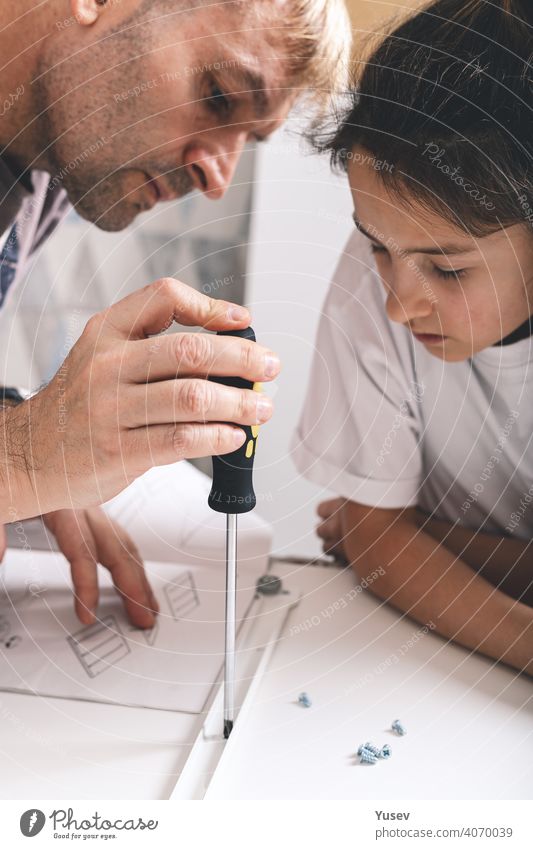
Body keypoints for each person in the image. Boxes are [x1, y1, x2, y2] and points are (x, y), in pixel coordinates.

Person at [0, 0, 351, 626]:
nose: (219, 177)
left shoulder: (43, 169)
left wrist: (19, 436)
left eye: (250, 139)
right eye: (218, 96)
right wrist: (23, 458)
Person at [294, 0, 533, 674]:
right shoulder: (375, 272)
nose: (398, 305)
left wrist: (412, 534)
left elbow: (374, 533)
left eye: (447, 268)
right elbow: (374, 541)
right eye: (376, 246)